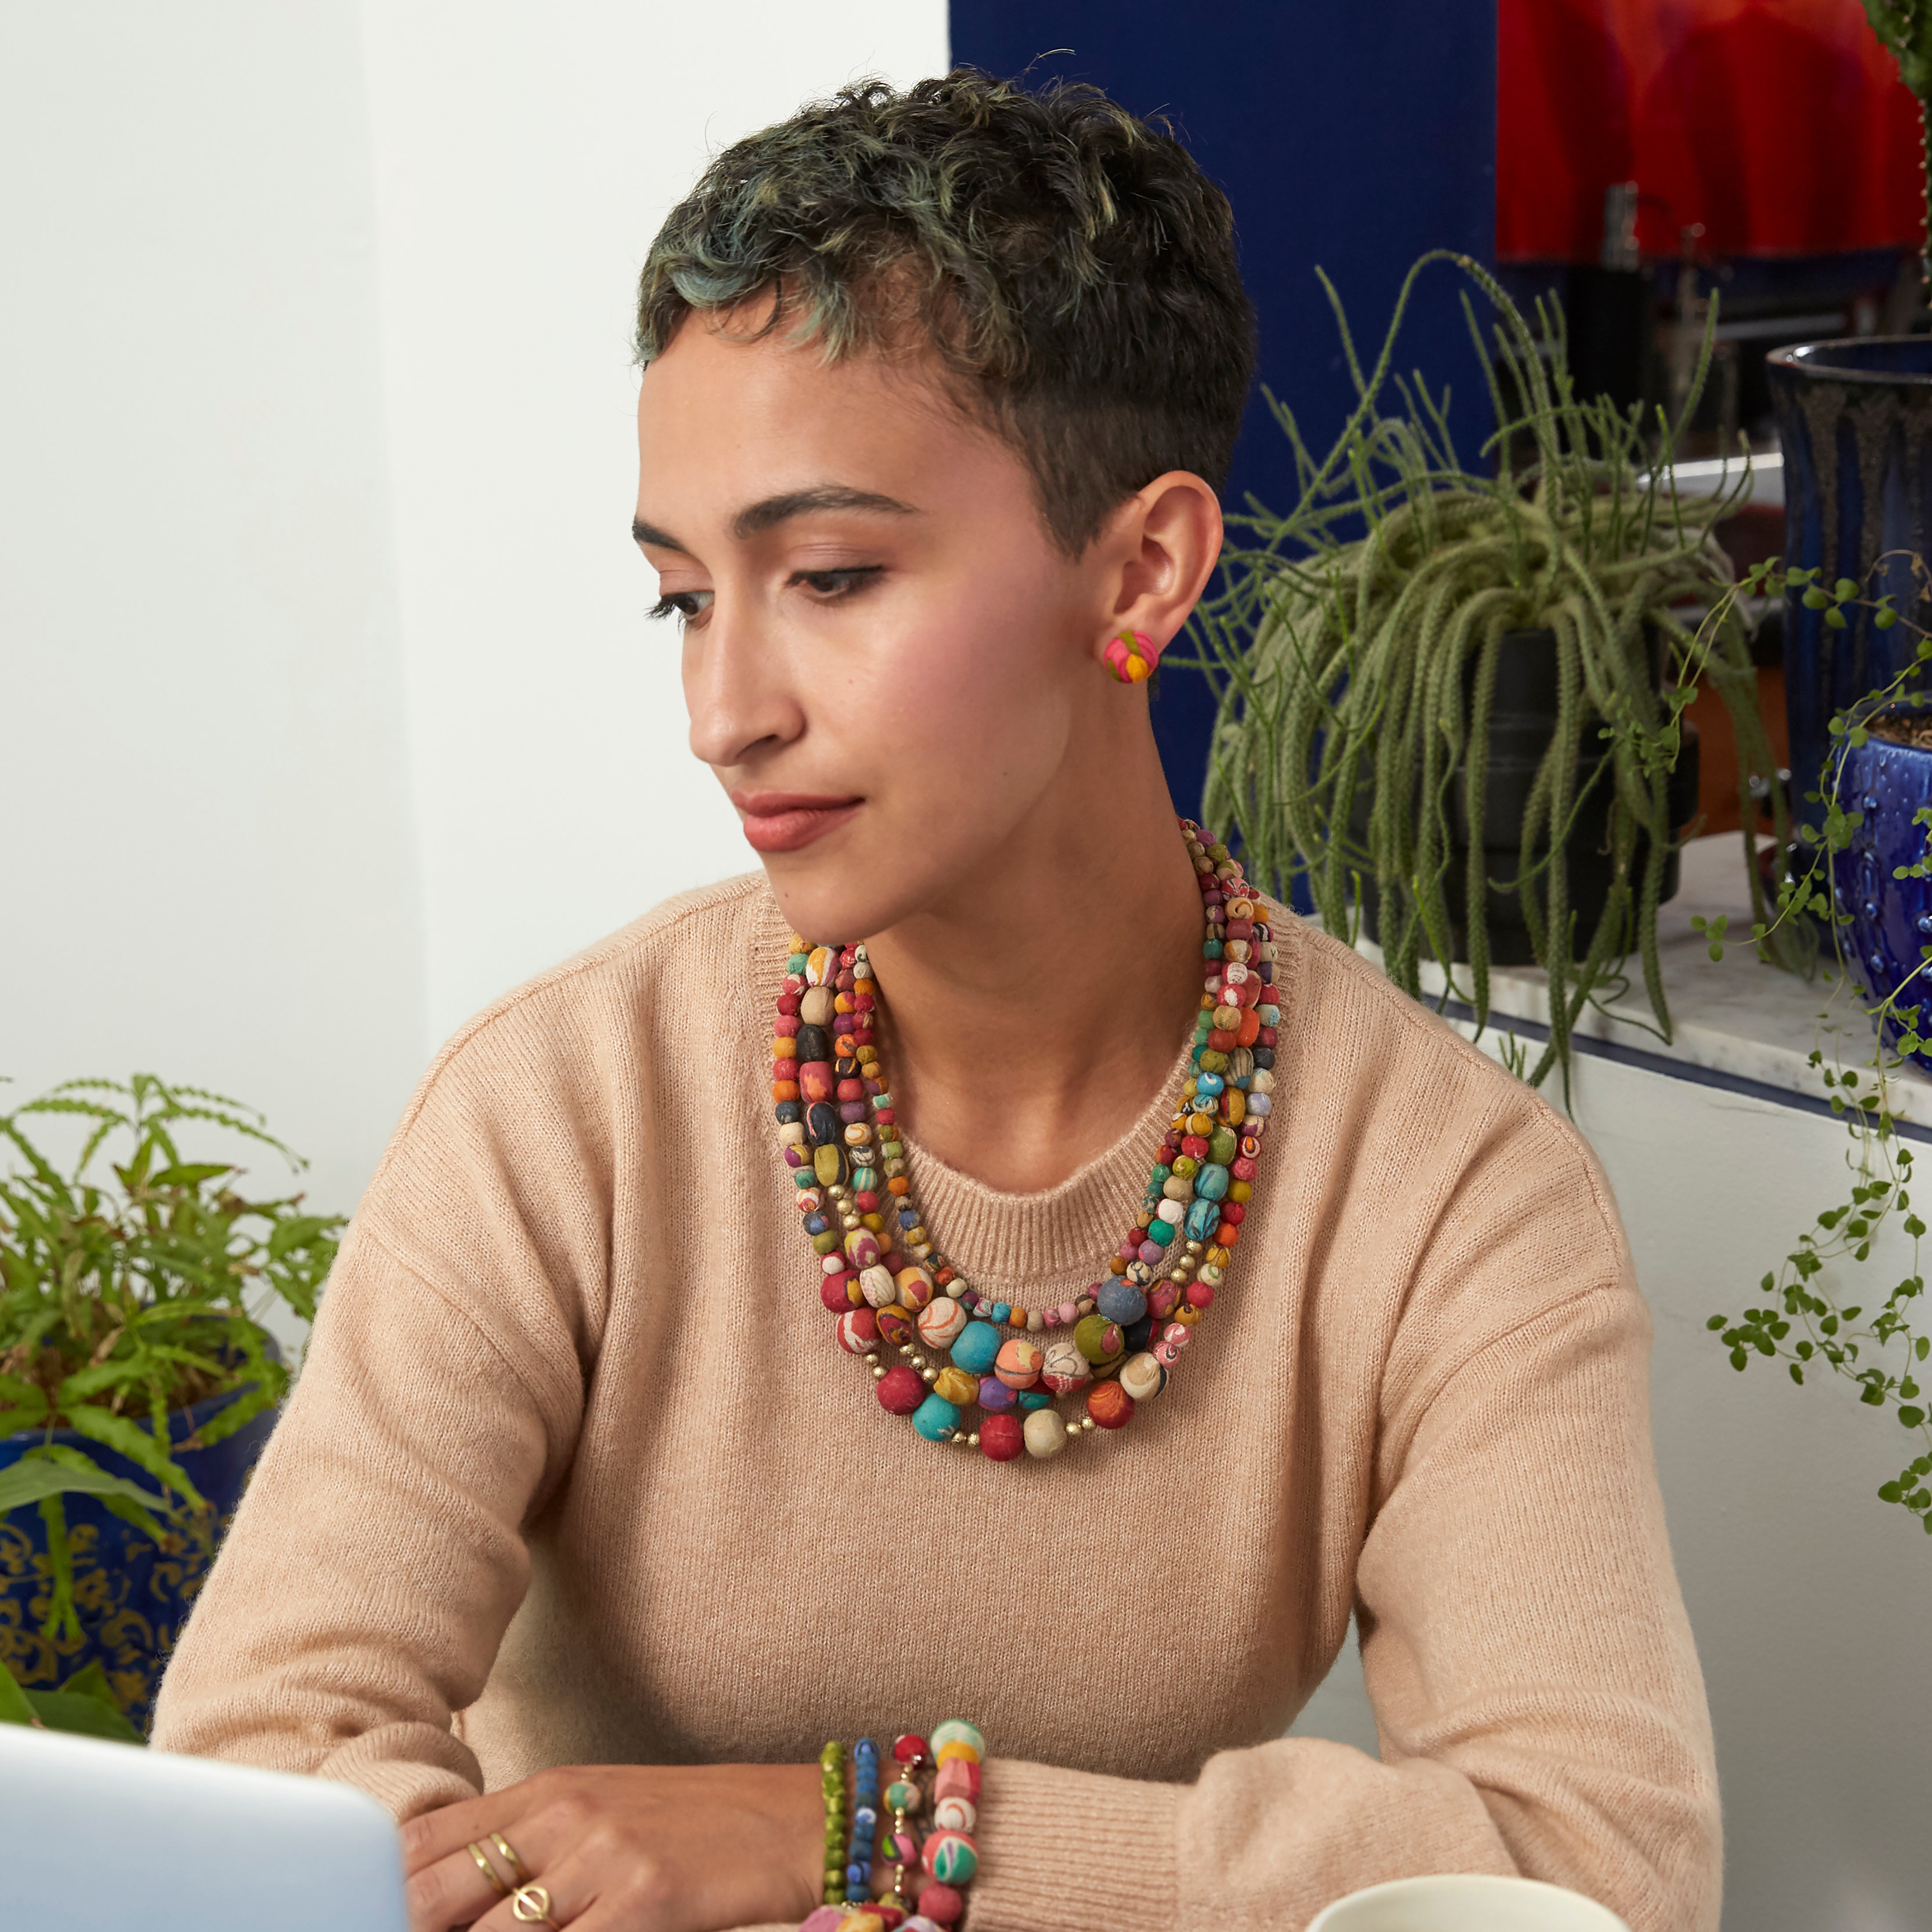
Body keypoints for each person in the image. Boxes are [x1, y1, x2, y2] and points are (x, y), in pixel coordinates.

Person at [152, 69, 1720, 1932]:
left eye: (826, 575)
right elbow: (261, 1750)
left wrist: (867, 1827)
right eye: (681, 597)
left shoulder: (1453, 1196)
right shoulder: (560, 1107)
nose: (722, 708)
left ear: (1139, 568)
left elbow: (1595, 1855)